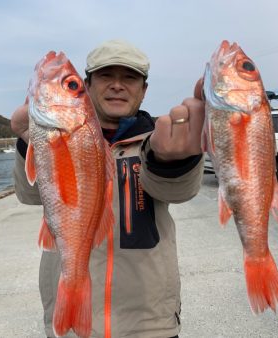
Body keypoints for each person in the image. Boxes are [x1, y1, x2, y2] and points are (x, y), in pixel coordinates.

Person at [11, 39, 205, 338]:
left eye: (129, 77)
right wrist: (30, 144)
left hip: (149, 323)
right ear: (88, 86)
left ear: (144, 90)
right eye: (105, 76)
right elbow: (29, 194)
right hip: (74, 321)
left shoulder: (158, 141)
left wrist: (172, 161)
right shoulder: (54, 134)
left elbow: (176, 192)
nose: (117, 85)